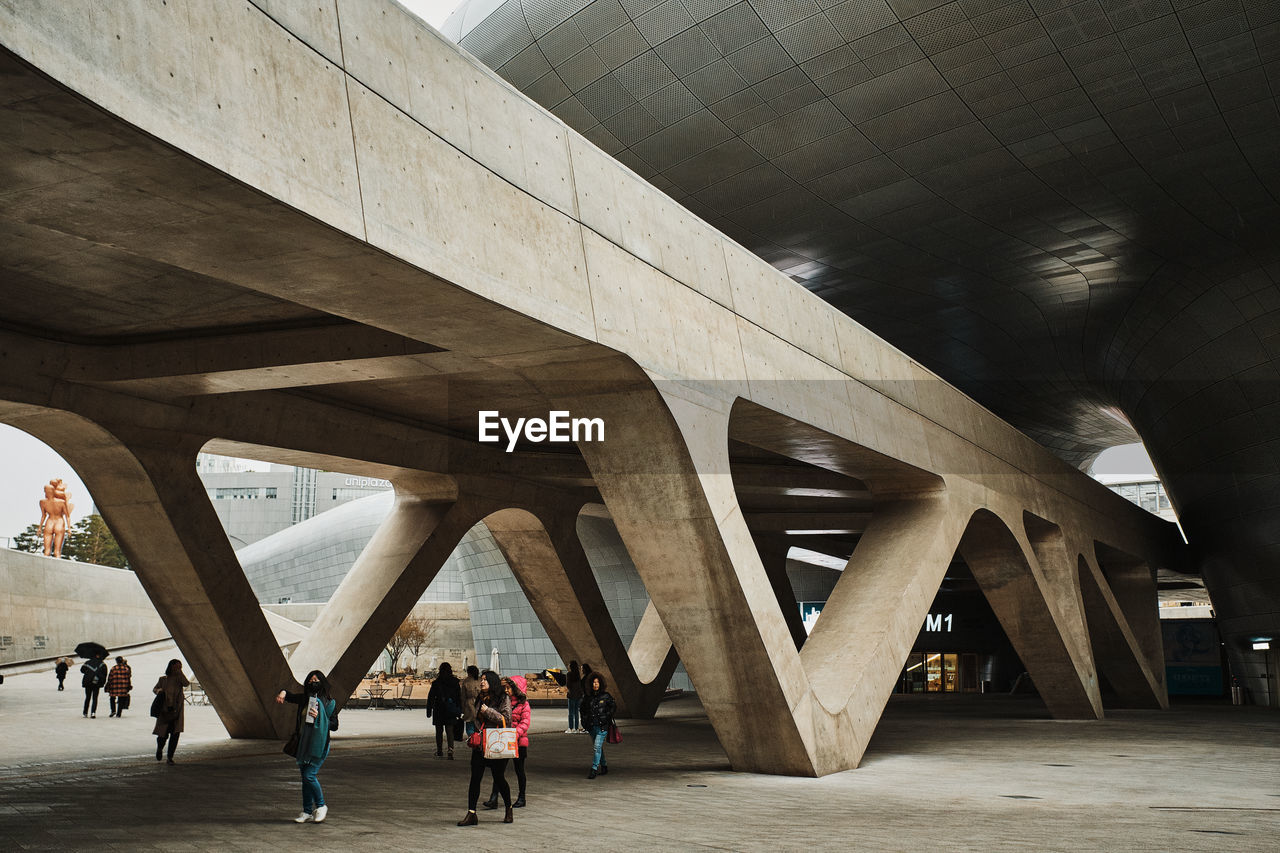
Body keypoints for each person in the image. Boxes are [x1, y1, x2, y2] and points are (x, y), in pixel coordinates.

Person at [276, 670, 337, 824]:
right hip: (304, 744)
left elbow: (334, 725)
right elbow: (290, 696)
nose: (313, 682)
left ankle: (322, 806)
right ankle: (307, 811)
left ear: (322, 682)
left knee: (309, 775)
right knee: (305, 778)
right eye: (310, 680)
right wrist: (283, 693)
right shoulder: (305, 699)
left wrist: (320, 717)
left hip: (320, 744)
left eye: (316, 680)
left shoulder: (329, 702)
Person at [457, 670, 513, 826]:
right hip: (481, 745)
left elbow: (506, 720)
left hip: (497, 743)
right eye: (481, 680)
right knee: (475, 778)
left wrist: (487, 711)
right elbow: (477, 720)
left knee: (499, 778)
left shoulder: (503, 698)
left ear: (492, 682)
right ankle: (471, 813)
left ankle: (508, 808)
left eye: (485, 680)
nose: (482, 682)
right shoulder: (480, 698)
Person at [484, 675, 530, 809]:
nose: (506, 690)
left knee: (519, 770)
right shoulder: (504, 702)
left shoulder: (524, 704)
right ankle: (494, 798)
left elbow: (525, 722)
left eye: (509, 688)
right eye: (505, 688)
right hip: (504, 740)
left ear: (516, 689)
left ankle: (522, 797)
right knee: (499, 770)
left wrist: (514, 734)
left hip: (518, 741)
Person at [152, 659, 189, 764]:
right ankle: (160, 748)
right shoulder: (163, 679)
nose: (178, 668)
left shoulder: (179, 679)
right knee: (162, 734)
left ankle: (170, 757)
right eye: (176, 666)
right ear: (171, 666)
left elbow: (186, 683)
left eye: (180, 666)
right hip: (164, 711)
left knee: (175, 734)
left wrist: (180, 672)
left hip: (176, 711)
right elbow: (155, 689)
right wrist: (159, 691)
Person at [582, 672, 616, 779]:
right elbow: (582, 710)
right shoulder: (587, 697)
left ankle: (594, 768)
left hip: (603, 726)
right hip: (592, 726)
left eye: (597, 682)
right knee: (598, 747)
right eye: (593, 682)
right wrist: (585, 722)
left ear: (601, 683)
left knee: (597, 747)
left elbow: (613, 707)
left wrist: (607, 716)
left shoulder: (606, 696)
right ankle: (604, 765)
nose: (595, 684)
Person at [426, 662, 462, 759]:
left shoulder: (436, 683)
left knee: (439, 731)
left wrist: (429, 711)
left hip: (439, 709)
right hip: (450, 709)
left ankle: (439, 750)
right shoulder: (455, 682)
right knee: (450, 731)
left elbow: (431, 697)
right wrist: (459, 710)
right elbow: (459, 697)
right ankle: (450, 751)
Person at [80, 652, 107, 718]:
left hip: (88, 682)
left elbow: (82, 670)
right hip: (96, 683)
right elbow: (104, 675)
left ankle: (85, 712)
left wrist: (88, 672)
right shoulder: (102, 664)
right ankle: (93, 713)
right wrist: (102, 683)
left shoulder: (87, 662)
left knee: (87, 697)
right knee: (95, 698)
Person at [459, 665, 482, 736]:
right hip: (481, 705)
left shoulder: (466, 681)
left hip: (469, 706)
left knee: (470, 726)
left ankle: (472, 740)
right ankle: (479, 741)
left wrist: (462, 709)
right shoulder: (481, 680)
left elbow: (463, 697)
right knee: (479, 726)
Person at [566, 660, 583, 734]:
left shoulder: (569, 674)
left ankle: (570, 728)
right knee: (576, 712)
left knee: (571, 713)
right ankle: (576, 728)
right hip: (578, 695)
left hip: (571, 695)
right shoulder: (578, 674)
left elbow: (568, 685)